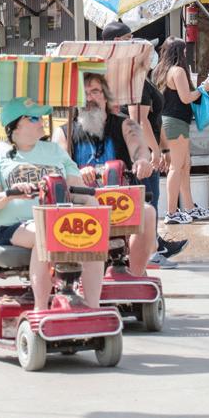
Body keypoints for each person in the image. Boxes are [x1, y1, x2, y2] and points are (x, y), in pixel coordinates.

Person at [0, 97, 105, 309]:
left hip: (59, 220)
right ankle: (41, 308)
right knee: (45, 232)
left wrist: (94, 209)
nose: (41, 121)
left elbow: (78, 188)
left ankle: (92, 307)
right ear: (15, 125)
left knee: (92, 231)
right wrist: (11, 194)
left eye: (42, 116)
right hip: (12, 227)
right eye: (34, 118)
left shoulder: (54, 151)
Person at [52, 73, 160, 276]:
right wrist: (77, 172)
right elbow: (59, 165)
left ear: (106, 96)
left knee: (148, 212)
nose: (89, 98)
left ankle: (135, 275)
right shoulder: (64, 132)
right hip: (81, 203)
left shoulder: (125, 124)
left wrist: (142, 161)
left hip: (120, 203)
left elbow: (139, 148)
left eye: (95, 91)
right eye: (84, 94)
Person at [100, 20, 187, 266]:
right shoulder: (128, 78)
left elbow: (153, 118)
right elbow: (140, 119)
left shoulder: (136, 77)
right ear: (117, 42)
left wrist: (163, 148)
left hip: (143, 145)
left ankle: (153, 245)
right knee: (146, 200)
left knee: (147, 200)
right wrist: (155, 151)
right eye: (129, 39)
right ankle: (149, 252)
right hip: (138, 149)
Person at [154, 37, 209, 224]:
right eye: (184, 51)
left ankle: (189, 207)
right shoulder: (178, 71)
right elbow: (186, 98)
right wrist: (204, 88)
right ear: (178, 52)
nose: (186, 54)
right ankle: (171, 212)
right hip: (176, 122)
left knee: (184, 165)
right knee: (176, 167)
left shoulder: (160, 71)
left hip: (167, 121)